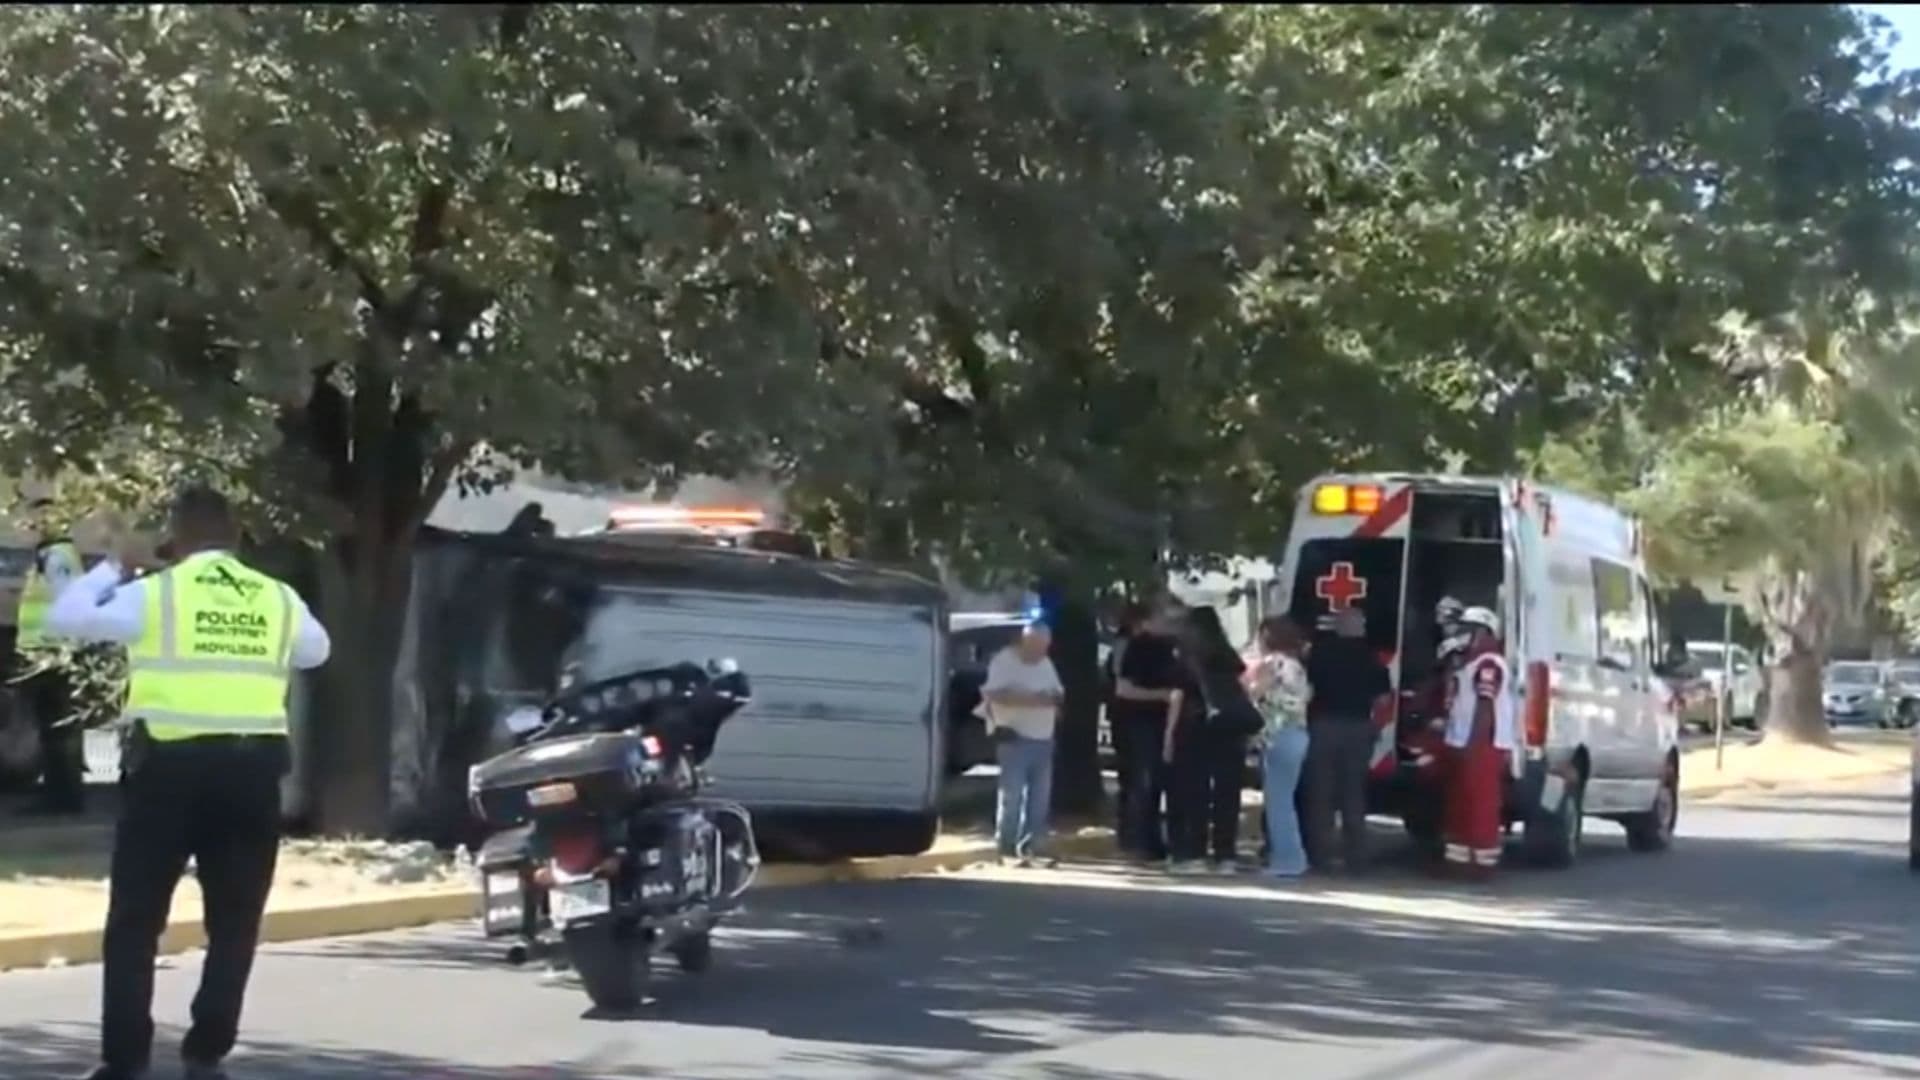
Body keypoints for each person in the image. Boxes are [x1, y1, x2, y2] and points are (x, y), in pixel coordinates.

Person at [46, 487, 332, 1080]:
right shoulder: (277, 598)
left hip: (168, 776)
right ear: (235, 538)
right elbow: (316, 652)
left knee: (135, 920)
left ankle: (124, 1060)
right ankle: (206, 1052)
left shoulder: (157, 594)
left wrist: (115, 567)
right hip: (251, 778)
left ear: (176, 538)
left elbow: (65, 617)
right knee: (234, 921)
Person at [1166, 606, 1257, 874]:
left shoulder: (1185, 657)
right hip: (1229, 728)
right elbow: (1241, 688)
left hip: (1195, 726)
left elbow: (1177, 697)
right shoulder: (1228, 655)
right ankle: (1224, 854)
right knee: (1227, 792)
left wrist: (1169, 737)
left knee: (1196, 791)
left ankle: (1194, 853)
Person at [1303, 606, 1391, 874]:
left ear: (1338, 627)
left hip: (1323, 726)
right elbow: (1384, 698)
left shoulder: (1319, 653)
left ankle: (1321, 856)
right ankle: (1357, 858)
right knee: (1353, 793)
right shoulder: (1372, 658)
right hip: (1358, 728)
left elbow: (1306, 689)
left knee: (1321, 793)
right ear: (1359, 628)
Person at [14, 498, 87, 814]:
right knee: (53, 729)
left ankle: (63, 798)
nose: (35, 526)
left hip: (55, 654)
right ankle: (58, 794)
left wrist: (63, 650)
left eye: (41, 519)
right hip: (48, 653)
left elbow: (70, 603)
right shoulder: (49, 556)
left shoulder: (57, 557)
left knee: (59, 730)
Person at [1111, 595, 1190, 863]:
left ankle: (1161, 840)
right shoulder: (1137, 647)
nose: (1175, 624)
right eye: (1169, 618)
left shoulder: (1176, 647)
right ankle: (1140, 842)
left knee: (1167, 784)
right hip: (1140, 723)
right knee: (1144, 783)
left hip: (1171, 722)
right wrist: (1163, 696)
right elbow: (1123, 689)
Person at [980, 619, 1065, 868]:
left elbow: (1057, 695)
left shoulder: (1046, 664)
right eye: (1036, 646)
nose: (1041, 652)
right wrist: (1034, 700)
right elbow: (993, 693)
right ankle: (1006, 847)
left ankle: (1032, 846)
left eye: (1045, 647)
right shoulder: (1005, 661)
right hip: (1014, 736)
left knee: (1040, 797)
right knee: (1012, 795)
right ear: (1025, 641)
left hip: (1043, 737)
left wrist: (1048, 701)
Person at [1442, 606, 1514, 881]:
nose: (1462, 635)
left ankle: (1483, 863)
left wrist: (1473, 745)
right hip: (1464, 742)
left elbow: (1485, 706)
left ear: (1483, 632)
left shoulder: (1488, 664)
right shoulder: (1469, 662)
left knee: (1480, 804)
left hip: (1481, 744)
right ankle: (1459, 861)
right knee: (1460, 803)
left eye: (1468, 630)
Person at [1247, 615, 1312, 878]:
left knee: (1278, 803)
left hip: (1279, 737)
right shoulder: (1296, 666)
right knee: (1285, 800)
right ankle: (1293, 856)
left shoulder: (1272, 663)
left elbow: (1254, 692)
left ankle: (1288, 860)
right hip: (1297, 734)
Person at [1103, 602, 1148, 847]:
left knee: (1131, 776)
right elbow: (1120, 681)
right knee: (1133, 776)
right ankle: (1131, 833)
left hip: (1123, 714)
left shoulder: (1123, 645)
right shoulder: (1127, 646)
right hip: (1128, 715)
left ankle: (1130, 831)